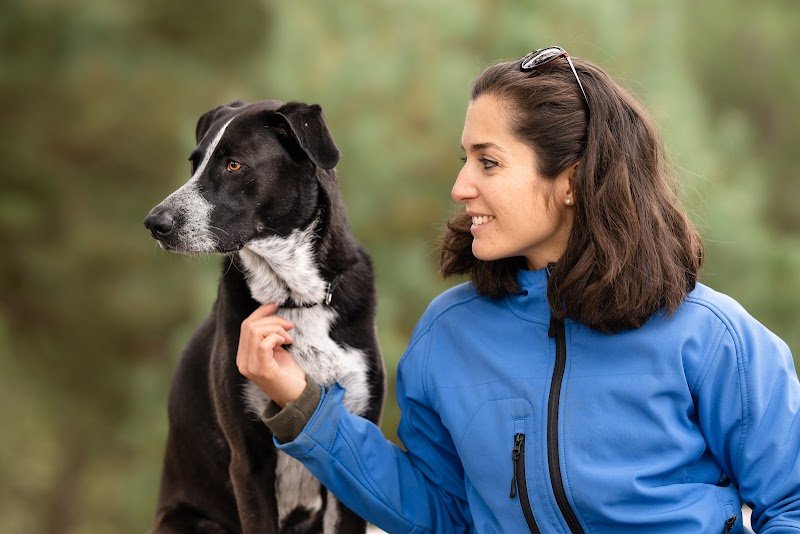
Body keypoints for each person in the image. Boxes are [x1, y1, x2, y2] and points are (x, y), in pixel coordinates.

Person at [236, 47, 800, 533]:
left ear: (573, 180)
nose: (460, 187)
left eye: (488, 162)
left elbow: (791, 502)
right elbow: (443, 513)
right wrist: (302, 403)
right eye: (466, 161)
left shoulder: (709, 337)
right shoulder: (448, 334)